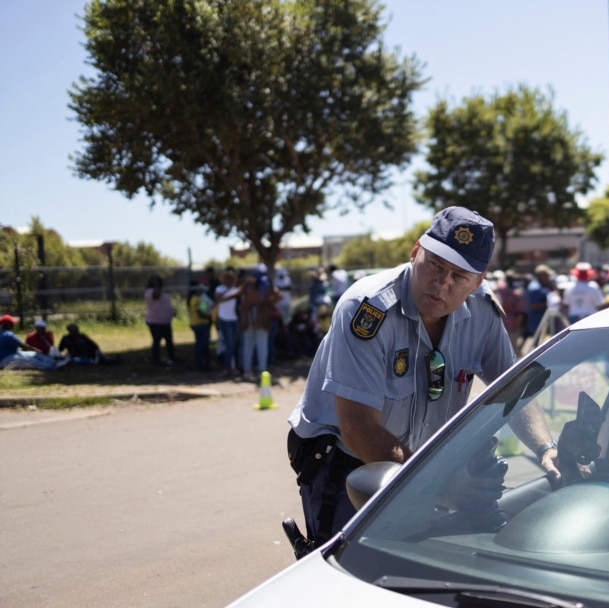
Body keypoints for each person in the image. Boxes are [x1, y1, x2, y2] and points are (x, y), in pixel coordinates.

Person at [286, 206, 561, 552]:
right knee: (354, 568)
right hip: (347, 462)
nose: (442, 283)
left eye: (460, 276)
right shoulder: (367, 309)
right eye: (435, 264)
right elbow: (358, 429)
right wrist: (438, 484)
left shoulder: (483, 313)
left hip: (419, 463)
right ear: (416, 251)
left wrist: (546, 449)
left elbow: (514, 390)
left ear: (479, 281)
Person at [238, 264, 280, 382]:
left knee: (250, 344)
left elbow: (239, 295)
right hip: (256, 318)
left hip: (255, 318)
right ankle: (260, 370)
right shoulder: (265, 285)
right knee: (260, 344)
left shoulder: (251, 285)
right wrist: (268, 302)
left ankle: (251, 370)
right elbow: (278, 296)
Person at [0, 315, 68, 370]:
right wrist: (36, 349)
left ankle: (55, 362)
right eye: (11, 323)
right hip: (6, 358)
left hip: (14, 354)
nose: (13, 325)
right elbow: (22, 345)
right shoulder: (7, 334)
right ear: (7, 324)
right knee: (33, 362)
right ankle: (55, 367)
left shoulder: (4, 333)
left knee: (34, 355)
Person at [145, 274, 178, 366]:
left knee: (169, 342)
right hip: (155, 322)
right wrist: (156, 284)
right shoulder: (150, 292)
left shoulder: (164, 294)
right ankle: (156, 360)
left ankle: (172, 358)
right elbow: (156, 295)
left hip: (165, 322)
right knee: (157, 341)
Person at [214, 268, 242, 375]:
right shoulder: (220, 289)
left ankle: (235, 365)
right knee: (228, 345)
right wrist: (229, 292)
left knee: (235, 344)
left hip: (234, 319)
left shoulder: (236, 289)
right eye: (227, 278)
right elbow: (218, 299)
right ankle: (228, 367)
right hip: (224, 320)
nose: (229, 280)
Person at [187, 281, 214, 371]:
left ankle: (204, 363)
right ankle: (201, 365)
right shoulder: (196, 299)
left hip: (200, 323)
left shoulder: (196, 298)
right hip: (200, 324)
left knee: (202, 345)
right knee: (201, 346)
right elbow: (200, 313)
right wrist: (209, 316)